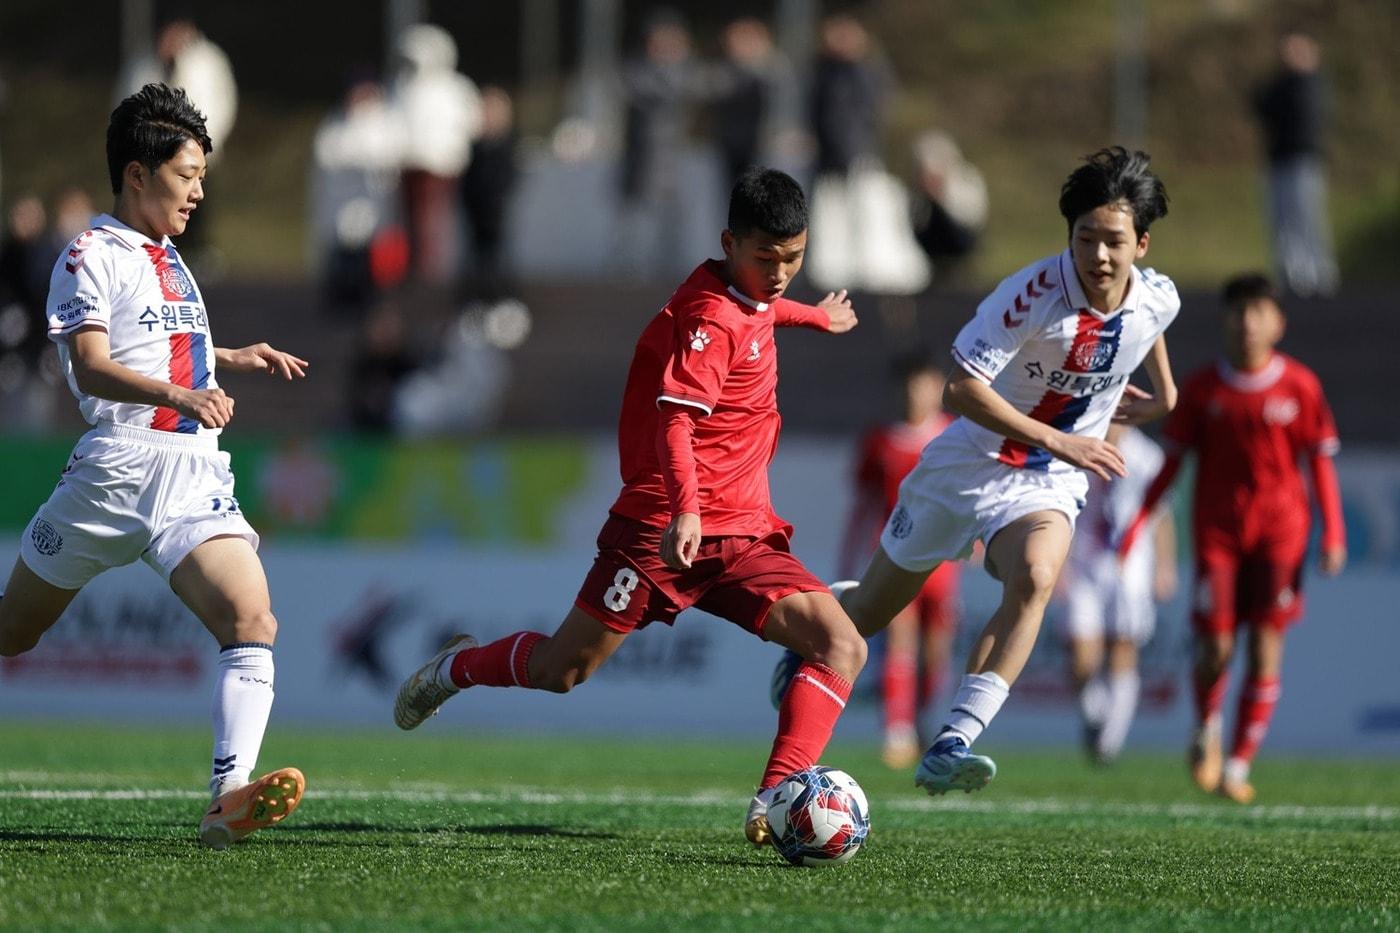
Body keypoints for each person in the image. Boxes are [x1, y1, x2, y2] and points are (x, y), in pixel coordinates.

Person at [393, 168, 866, 848]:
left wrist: (819, 315)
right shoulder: (707, 319)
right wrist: (686, 508)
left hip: (743, 535)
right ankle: (455, 666)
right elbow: (676, 421)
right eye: (767, 258)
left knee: (841, 643)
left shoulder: (751, 295)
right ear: (730, 242)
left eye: (794, 256)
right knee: (564, 671)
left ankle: (774, 798)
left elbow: (765, 311)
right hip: (662, 530)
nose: (782, 272)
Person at [774, 146, 1180, 796]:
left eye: (1114, 242)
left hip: (1045, 478)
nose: (1099, 256)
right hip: (967, 462)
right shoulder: (1030, 294)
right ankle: (806, 643)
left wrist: (1165, 395)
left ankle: (952, 739)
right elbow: (960, 391)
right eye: (1085, 239)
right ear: (1068, 237)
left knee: (1039, 574)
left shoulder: (1156, 295)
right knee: (866, 620)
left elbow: (1150, 321)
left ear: (1142, 244)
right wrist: (1062, 436)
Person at [0, 84, 309, 848]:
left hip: (191, 474)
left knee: (252, 618)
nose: (200, 190)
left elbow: (163, 340)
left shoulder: (171, 256)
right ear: (138, 174)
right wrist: (181, 390)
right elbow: (94, 367)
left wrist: (230, 356)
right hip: (114, 474)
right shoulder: (89, 254)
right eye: (189, 172)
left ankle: (226, 798)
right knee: (12, 632)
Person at [1116, 272, 1345, 803]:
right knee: (1215, 647)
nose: (1247, 323)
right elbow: (1170, 467)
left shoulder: (1301, 387)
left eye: (1258, 312)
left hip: (1281, 538)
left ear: (1277, 324)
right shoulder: (1202, 390)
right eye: (1238, 312)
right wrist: (1139, 522)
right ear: (1225, 320)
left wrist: (1333, 532)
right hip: (1219, 536)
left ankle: (1238, 765)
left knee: (1266, 649)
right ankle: (1206, 728)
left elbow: (1321, 464)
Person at [836, 355, 960, 769]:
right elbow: (865, 504)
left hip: (942, 559)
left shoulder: (953, 435)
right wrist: (850, 556)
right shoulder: (880, 441)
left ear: (937, 385)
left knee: (935, 654)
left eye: (922, 383)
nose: (914, 393)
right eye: (907, 384)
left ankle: (926, 717)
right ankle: (897, 731)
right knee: (900, 641)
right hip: (894, 552)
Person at [1059, 422, 1175, 765]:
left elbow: (1161, 512)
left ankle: (1109, 741)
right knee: (1081, 654)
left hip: (1130, 565)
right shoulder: (1078, 443)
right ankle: (1094, 715)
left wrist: (1164, 566)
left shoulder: (1147, 455)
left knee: (1123, 647)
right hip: (1084, 562)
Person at [1253, 30, 1337, 297]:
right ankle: (1292, 274)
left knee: (1306, 217)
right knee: (1282, 220)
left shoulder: (1311, 86)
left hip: (1302, 161)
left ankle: (1319, 274)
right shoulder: (1281, 85)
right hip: (1279, 160)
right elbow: (1261, 105)